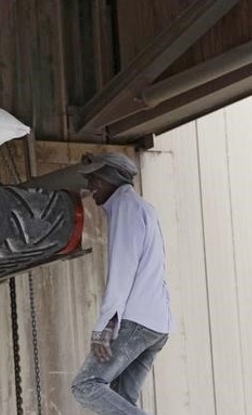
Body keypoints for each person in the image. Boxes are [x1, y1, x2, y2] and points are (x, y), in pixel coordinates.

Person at [71, 152, 172, 415]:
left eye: (94, 178)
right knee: (121, 400)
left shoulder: (126, 208)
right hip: (156, 324)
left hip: (136, 321)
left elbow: (122, 270)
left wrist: (104, 325)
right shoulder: (143, 208)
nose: (89, 186)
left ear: (108, 179)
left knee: (86, 385)